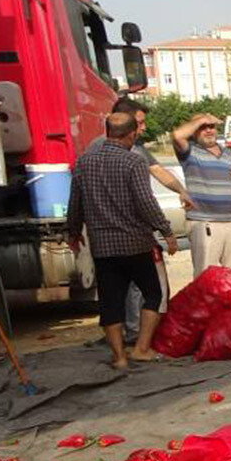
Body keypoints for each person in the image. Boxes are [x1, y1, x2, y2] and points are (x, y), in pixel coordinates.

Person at [67, 113, 178, 369]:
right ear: (131, 134)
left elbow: (75, 202)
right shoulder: (133, 162)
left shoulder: (84, 162)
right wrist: (166, 231)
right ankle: (141, 348)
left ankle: (118, 358)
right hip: (135, 243)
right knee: (153, 293)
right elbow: (146, 202)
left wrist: (73, 232)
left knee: (110, 301)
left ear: (107, 131)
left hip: (103, 247)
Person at [172, 114, 231, 278]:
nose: (208, 130)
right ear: (195, 130)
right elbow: (176, 135)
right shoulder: (190, 152)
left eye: (211, 127)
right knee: (205, 278)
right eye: (203, 127)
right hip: (205, 223)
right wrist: (202, 119)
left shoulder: (228, 153)